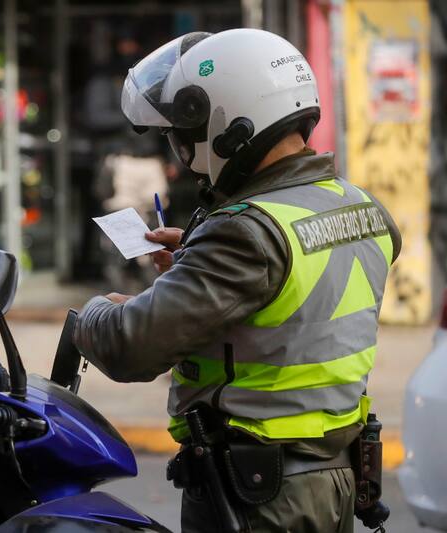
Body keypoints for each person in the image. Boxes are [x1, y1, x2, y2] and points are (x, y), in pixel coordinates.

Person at [73, 29, 402, 532]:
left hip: (259, 498)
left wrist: (95, 310)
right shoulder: (361, 205)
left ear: (232, 125)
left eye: (186, 132)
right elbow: (297, 298)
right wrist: (198, 255)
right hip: (331, 479)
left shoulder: (245, 235)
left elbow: (130, 347)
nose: (183, 152)